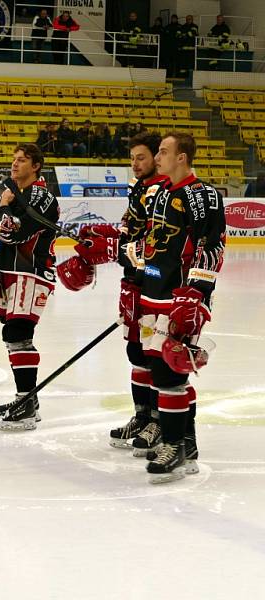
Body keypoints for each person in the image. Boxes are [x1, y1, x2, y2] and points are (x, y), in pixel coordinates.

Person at [62, 133, 168, 449]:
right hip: (134, 282)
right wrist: (103, 233)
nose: (135, 164)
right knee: (136, 351)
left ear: (157, 158)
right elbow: (131, 231)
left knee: (156, 354)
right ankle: (142, 416)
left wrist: (112, 248)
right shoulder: (140, 190)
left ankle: (159, 422)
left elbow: (157, 243)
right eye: (132, 158)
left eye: (141, 157)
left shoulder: (163, 192)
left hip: (157, 283)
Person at [141, 132, 225, 482]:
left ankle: (174, 445)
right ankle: (185, 441)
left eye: (163, 152)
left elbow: (212, 244)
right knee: (157, 367)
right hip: (152, 294)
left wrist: (195, 292)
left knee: (170, 371)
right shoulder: (160, 192)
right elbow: (154, 242)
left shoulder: (201, 194)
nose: (157, 157)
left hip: (179, 298)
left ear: (182, 157)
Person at [0, 144, 58, 428]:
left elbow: (13, 233)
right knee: (12, 336)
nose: (15, 164)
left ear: (36, 166)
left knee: (18, 333)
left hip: (30, 272)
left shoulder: (41, 196)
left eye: (22, 160)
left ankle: (27, 404)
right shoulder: (16, 195)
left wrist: (3, 207)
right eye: (13, 159)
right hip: (10, 272)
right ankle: (26, 398)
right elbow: (1, 238)